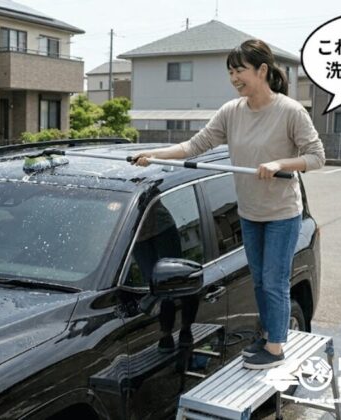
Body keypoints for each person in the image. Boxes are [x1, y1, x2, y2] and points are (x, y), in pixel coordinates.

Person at [131, 39, 325, 369]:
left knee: (276, 281)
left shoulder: (290, 111)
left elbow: (317, 157)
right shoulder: (231, 112)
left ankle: (276, 348)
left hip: (281, 214)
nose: (234, 78)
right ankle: (268, 335)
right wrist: (153, 156)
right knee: (261, 280)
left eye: (240, 71)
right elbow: (195, 146)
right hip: (249, 213)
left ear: (262, 70)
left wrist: (281, 164)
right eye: (231, 72)